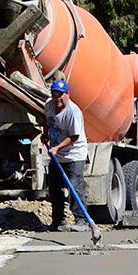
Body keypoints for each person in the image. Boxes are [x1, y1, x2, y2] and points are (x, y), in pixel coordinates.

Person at [44, 79, 89, 232]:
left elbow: (74, 137)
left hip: (74, 154)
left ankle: (81, 220)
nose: (57, 98)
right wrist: (45, 135)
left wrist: (57, 147)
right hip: (57, 155)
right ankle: (58, 220)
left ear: (67, 94)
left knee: (75, 186)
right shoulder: (49, 105)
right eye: (54, 94)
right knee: (54, 187)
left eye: (61, 95)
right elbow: (48, 122)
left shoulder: (73, 112)